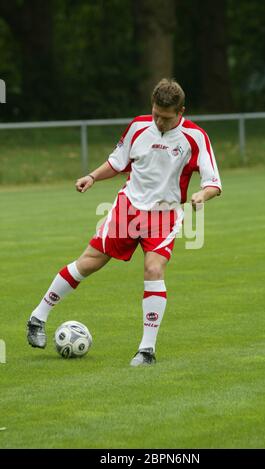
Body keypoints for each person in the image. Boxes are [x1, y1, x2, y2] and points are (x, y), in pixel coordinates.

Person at [27, 78, 222, 366]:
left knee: (154, 269)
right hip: (127, 209)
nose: (159, 121)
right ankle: (37, 317)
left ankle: (146, 351)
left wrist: (202, 195)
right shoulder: (138, 126)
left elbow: (214, 182)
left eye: (166, 118)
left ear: (181, 111)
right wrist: (92, 176)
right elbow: (118, 162)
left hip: (164, 216)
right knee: (89, 262)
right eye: (155, 113)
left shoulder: (195, 137)